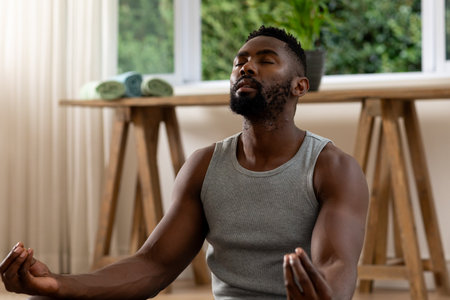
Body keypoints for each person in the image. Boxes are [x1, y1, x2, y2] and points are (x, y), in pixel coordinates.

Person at [0, 26, 368, 300]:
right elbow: (153, 265)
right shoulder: (204, 165)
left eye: (265, 60)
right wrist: (56, 283)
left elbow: (336, 265)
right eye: (239, 62)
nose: (246, 67)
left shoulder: (331, 167)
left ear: (299, 86)